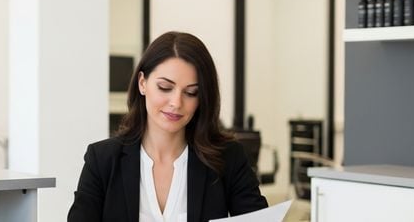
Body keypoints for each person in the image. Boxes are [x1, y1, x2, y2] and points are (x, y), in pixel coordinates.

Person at [68, 31, 267, 222]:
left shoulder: (228, 158)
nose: (176, 102)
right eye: (165, 87)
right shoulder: (102, 160)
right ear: (142, 83)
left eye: (191, 92)